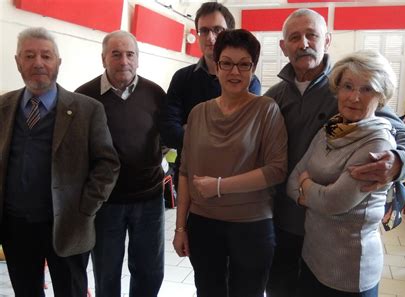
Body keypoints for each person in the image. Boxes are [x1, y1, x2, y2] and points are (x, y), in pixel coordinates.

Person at [264, 9, 405, 297]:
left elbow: (404, 135)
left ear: (327, 40)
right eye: (294, 37)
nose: (304, 43)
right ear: (283, 46)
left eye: (312, 35)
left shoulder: (349, 88)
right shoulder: (274, 96)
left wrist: (398, 162)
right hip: (283, 220)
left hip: (335, 235)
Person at [0, 27, 120, 297]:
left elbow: (107, 164)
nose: (38, 63)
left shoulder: (87, 110)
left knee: (72, 291)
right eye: (29, 56)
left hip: (69, 225)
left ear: (58, 62)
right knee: (26, 291)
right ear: (18, 62)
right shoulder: (3, 107)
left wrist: (85, 209)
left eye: (46, 55)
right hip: (16, 226)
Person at [172, 29, 287, 297]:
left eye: (244, 64)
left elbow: (276, 169)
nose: (234, 72)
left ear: (253, 68)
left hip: (251, 227)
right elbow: (186, 172)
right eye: (227, 63)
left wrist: (220, 186)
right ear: (216, 65)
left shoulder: (266, 109)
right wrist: (180, 228)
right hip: (203, 225)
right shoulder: (198, 112)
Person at [287, 50, 397, 296]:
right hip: (314, 256)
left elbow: (334, 202)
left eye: (367, 89)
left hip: (349, 269)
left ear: (381, 95)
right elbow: (292, 179)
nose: (354, 97)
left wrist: (307, 186)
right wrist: (312, 191)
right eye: (348, 86)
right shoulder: (334, 127)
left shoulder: (378, 143)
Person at [75, 30, 166, 297]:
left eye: (130, 54)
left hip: (149, 199)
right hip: (105, 203)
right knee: (106, 271)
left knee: (149, 271)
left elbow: (168, 136)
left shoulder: (155, 93)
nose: (124, 61)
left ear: (138, 59)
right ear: (103, 58)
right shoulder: (84, 97)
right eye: (116, 54)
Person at [161, 2, 261, 187]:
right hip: (189, 175)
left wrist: (190, 129)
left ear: (229, 33)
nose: (210, 37)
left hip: (233, 178)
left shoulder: (250, 81)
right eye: (204, 31)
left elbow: (240, 135)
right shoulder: (182, 78)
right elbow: (168, 130)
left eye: (217, 29)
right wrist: (215, 139)